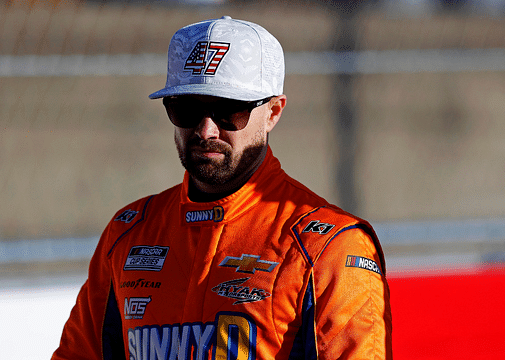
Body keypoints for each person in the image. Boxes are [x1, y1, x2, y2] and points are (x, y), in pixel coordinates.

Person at [52, 16, 392, 360]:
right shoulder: (128, 234)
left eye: (229, 110)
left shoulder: (328, 246)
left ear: (273, 111)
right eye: (186, 108)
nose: (206, 130)